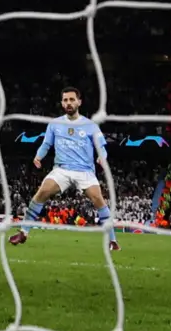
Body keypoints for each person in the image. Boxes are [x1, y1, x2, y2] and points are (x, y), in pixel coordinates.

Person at [8, 87, 120, 251]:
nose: (69, 103)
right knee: (42, 192)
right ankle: (23, 232)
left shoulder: (90, 126)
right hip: (62, 170)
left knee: (98, 199)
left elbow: (102, 147)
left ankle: (112, 241)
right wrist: (38, 156)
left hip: (84, 171)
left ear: (79, 102)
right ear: (62, 103)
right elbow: (46, 144)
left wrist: (102, 157)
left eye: (72, 99)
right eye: (65, 100)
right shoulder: (55, 124)